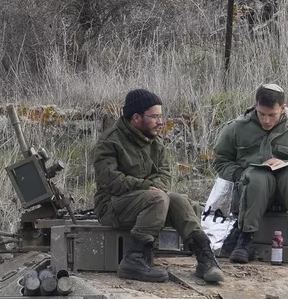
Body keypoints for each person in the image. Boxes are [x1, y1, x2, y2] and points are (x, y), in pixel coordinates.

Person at [92, 89, 224, 283]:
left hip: (150, 202)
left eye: (160, 116)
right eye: (154, 117)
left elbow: (164, 173)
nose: (160, 122)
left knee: (178, 200)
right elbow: (111, 181)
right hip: (113, 206)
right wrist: (146, 187)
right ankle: (133, 260)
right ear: (136, 118)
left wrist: (155, 188)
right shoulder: (109, 142)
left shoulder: (155, 141)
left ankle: (204, 257)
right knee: (158, 198)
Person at [212, 83, 288, 267]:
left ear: (283, 108)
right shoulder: (236, 128)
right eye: (262, 114)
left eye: (272, 115)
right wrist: (242, 174)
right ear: (256, 105)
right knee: (257, 176)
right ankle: (245, 239)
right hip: (251, 189)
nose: (266, 120)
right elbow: (220, 161)